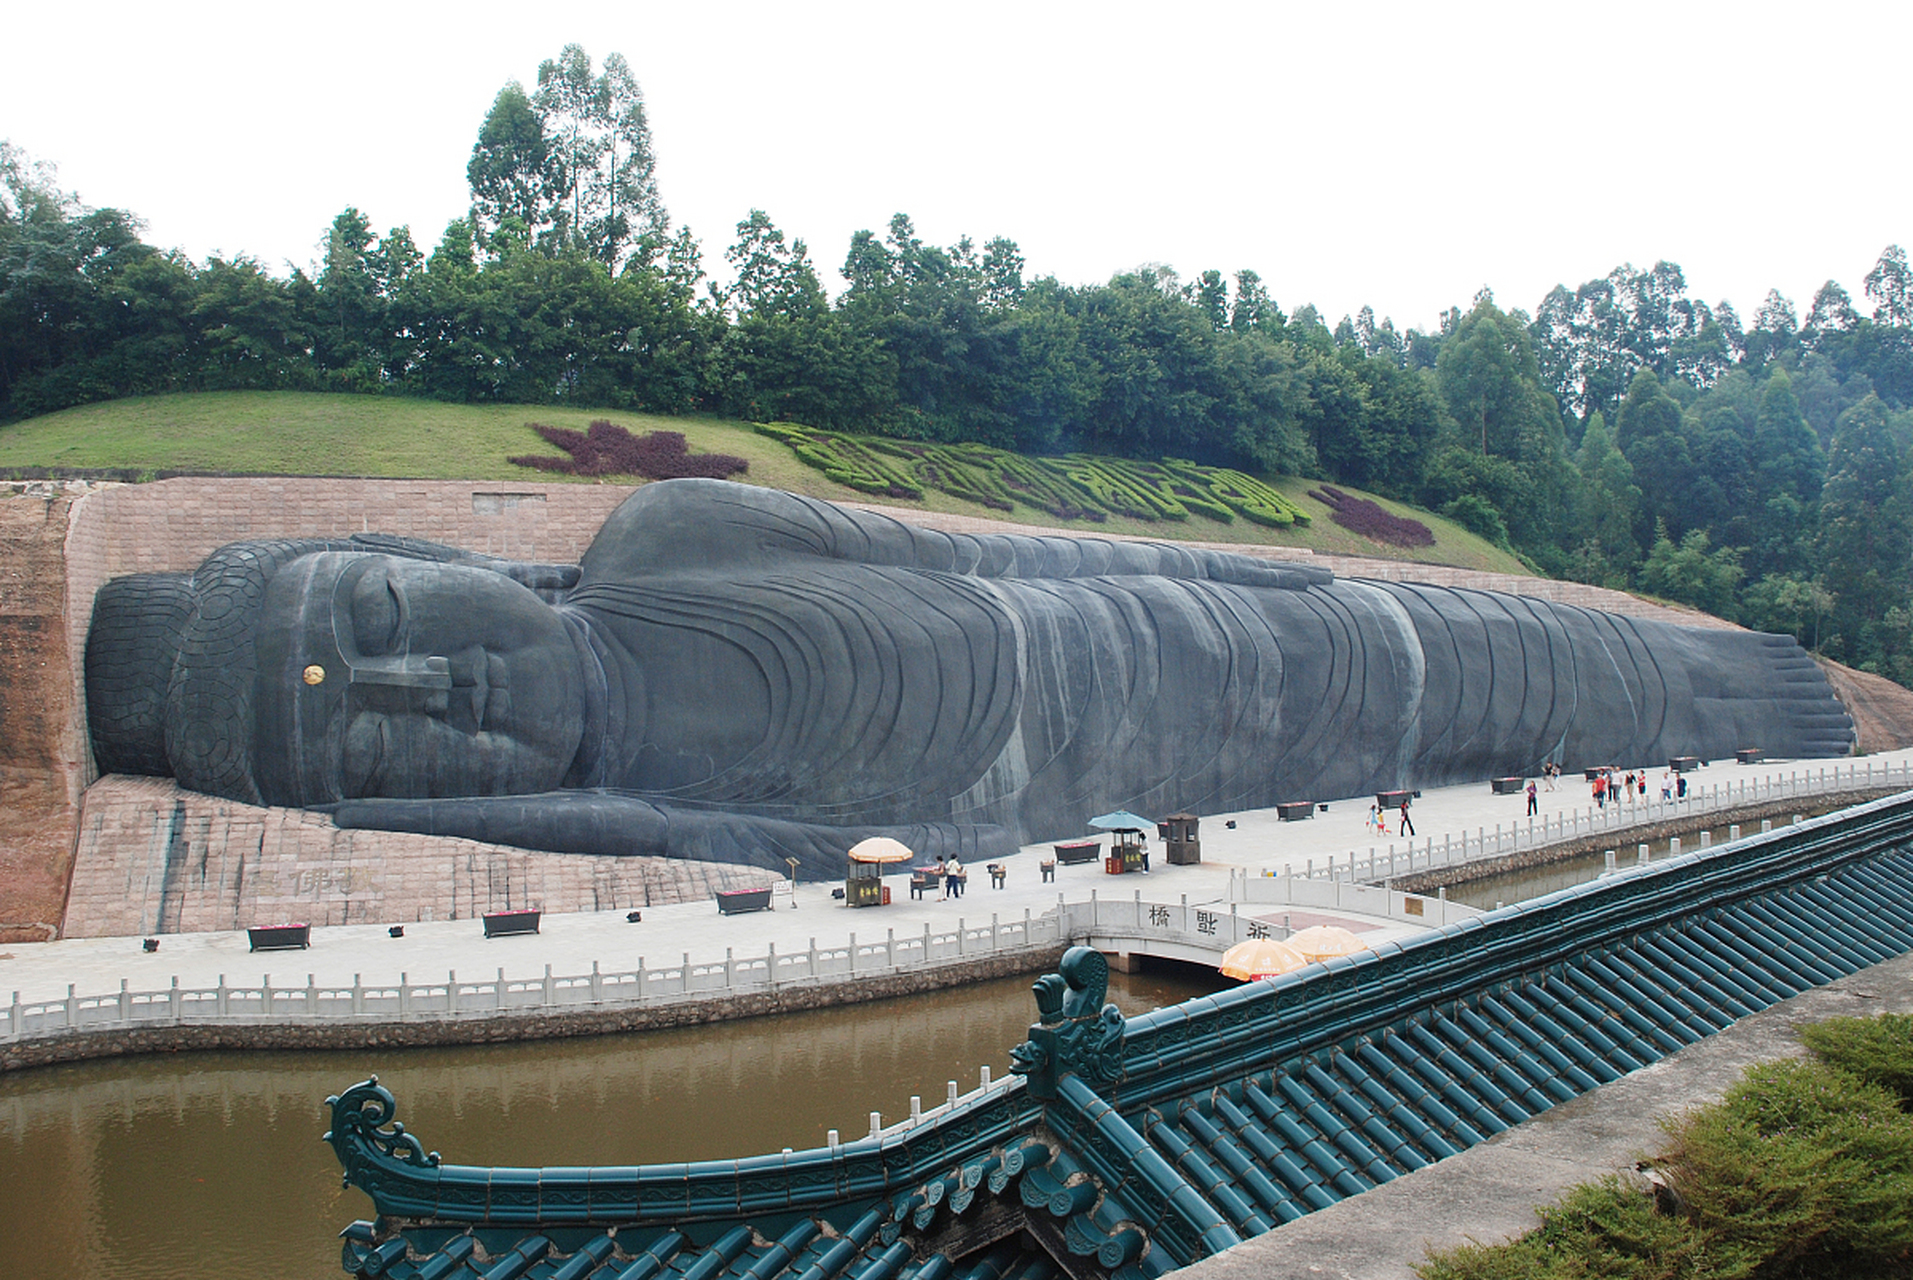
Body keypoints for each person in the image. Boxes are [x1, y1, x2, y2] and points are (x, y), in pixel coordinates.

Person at [84, 478, 1856, 878]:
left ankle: (1733, 695)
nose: (421, 689)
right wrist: (560, 812)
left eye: (385, 626)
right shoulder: (648, 804)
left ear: (453, 563)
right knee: (1485, 725)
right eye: (360, 738)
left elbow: (1012, 563)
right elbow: (790, 860)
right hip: (1172, 773)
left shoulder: (674, 539)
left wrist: (1262, 571)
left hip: (1227, 634)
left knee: (1539, 668)